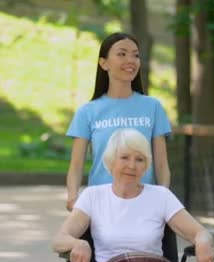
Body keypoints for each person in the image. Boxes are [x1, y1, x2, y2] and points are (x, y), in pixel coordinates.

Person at [53, 128, 214, 262]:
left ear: (146, 164)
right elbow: (58, 239)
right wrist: (78, 244)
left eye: (139, 159)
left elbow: (200, 232)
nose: (132, 165)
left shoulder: (161, 196)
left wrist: (203, 242)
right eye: (125, 157)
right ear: (111, 160)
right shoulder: (93, 197)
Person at [65, 32, 171, 212]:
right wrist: (73, 196)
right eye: (122, 54)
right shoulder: (87, 112)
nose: (130, 60)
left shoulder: (153, 107)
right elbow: (76, 165)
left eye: (135, 55)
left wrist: (163, 198)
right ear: (103, 63)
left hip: (144, 203)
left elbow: (161, 164)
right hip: (100, 205)